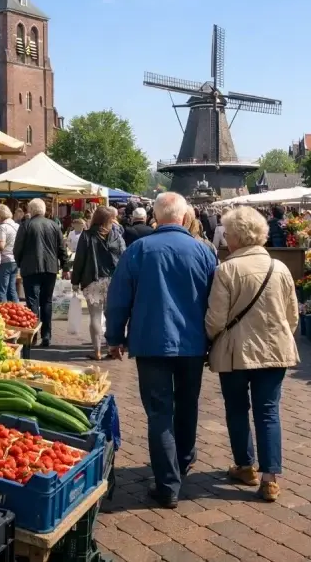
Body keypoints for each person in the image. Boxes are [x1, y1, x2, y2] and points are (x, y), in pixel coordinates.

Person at [105, 192, 218, 509]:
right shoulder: (203, 252)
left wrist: (115, 336)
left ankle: (167, 483)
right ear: (184, 217)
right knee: (187, 404)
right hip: (193, 343)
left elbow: (118, 297)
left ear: (156, 217)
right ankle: (182, 463)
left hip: (151, 342)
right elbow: (215, 300)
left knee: (159, 412)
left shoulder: (139, 249)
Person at [205, 206, 299, 503]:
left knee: (236, 408)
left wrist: (211, 340)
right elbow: (292, 316)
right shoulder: (280, 268)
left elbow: (216, 319)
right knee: (268, 410)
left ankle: (245, 466)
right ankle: (270, 478)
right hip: (274, 349)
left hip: (235, 352)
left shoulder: (226, 270)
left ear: (235, 237)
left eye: (228, 235)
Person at [71, 206, 126, 360]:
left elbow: (79, 260)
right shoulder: (116, 236)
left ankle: (97, 351)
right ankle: (111, 348)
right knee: (111, 316)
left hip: (92, 280)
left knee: (95, 316)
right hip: (113, 281)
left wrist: (75, 281)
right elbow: (124, 257)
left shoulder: (87, 236)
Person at [14, 198, 67, 347]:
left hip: (30, 268)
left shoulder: (26, 225)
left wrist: (19, 263)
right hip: (50, 268)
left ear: (30, 210)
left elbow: (18, 248)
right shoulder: (54, 225)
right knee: (47, 301)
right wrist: (65, 266)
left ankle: (33, 334)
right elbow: (61, 248)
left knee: (32, 302)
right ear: (44, 210)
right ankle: (47, 335)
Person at [0, 204, 20, 303]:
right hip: (15, 261)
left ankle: (3, 313)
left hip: (5, 261)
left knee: (1, 290)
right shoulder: (16, 226)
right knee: (12, 290)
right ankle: (18, 313)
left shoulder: (2, 227)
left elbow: (1, 246)